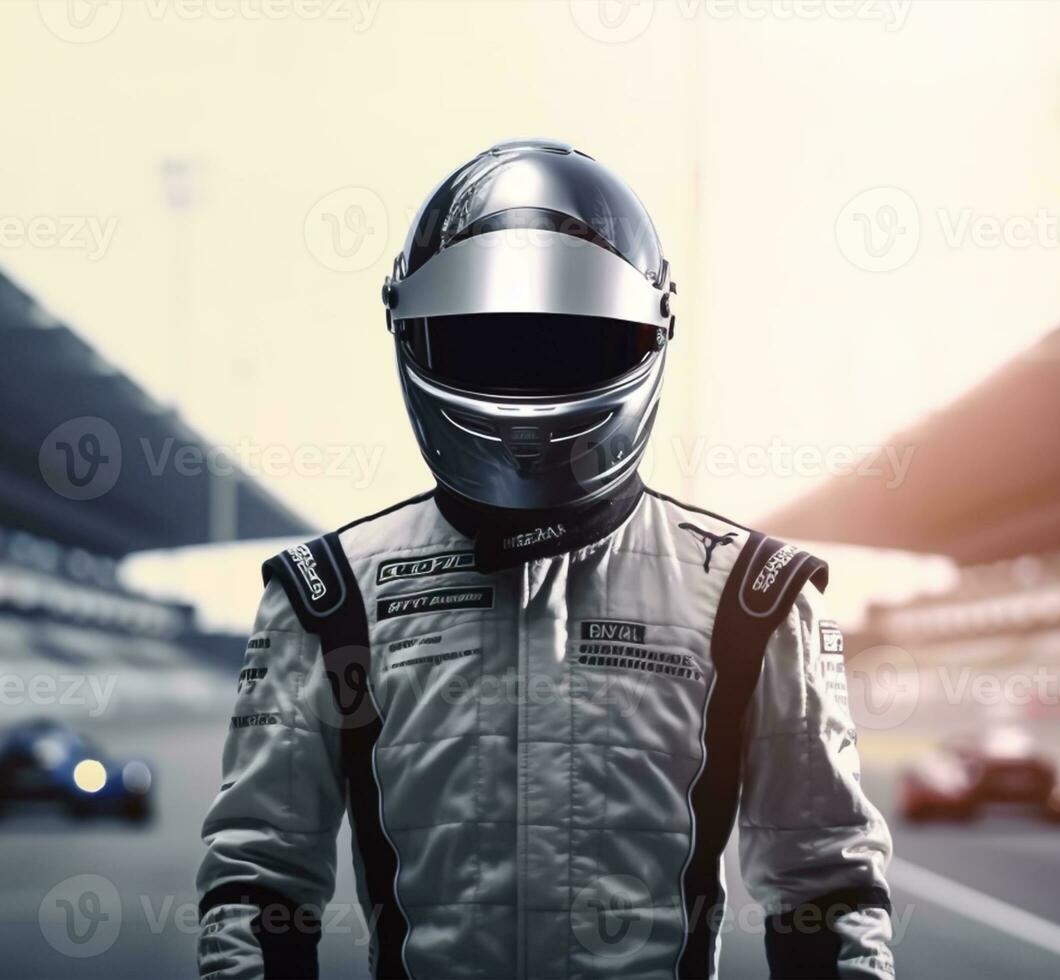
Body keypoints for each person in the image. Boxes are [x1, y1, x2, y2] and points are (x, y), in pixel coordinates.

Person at [196, 139, 894, 980]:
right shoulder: (328, 595)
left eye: (561, 342)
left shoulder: (753, 597)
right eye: (493, 340)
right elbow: (258, 880)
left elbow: (824, 885)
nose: (526, 370)